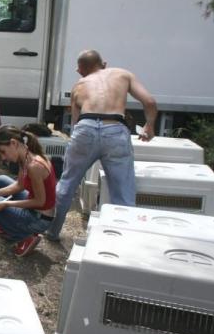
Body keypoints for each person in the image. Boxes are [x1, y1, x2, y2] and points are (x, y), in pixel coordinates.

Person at [45, 49, 158, 241]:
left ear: (80, 70)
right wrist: (149, 126)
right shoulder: (123, 74)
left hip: (85, 128)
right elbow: (150, 101)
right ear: (104, 64)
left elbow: (75, 124)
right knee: (123, 192)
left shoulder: (79, 85)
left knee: (67, 183)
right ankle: (123, 239)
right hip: (115, 129)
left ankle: (52, 231)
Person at [0, 125, 57, 257]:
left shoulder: (34, 166)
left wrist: (6, 204)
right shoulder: (26, 156)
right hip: (36, 209)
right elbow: (19, 185)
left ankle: (24, 236)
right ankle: (5, 225)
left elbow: (40, 201)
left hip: (39, 218)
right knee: (1, 180)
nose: (3, 158)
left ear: (13, 143)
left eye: (3, 152)